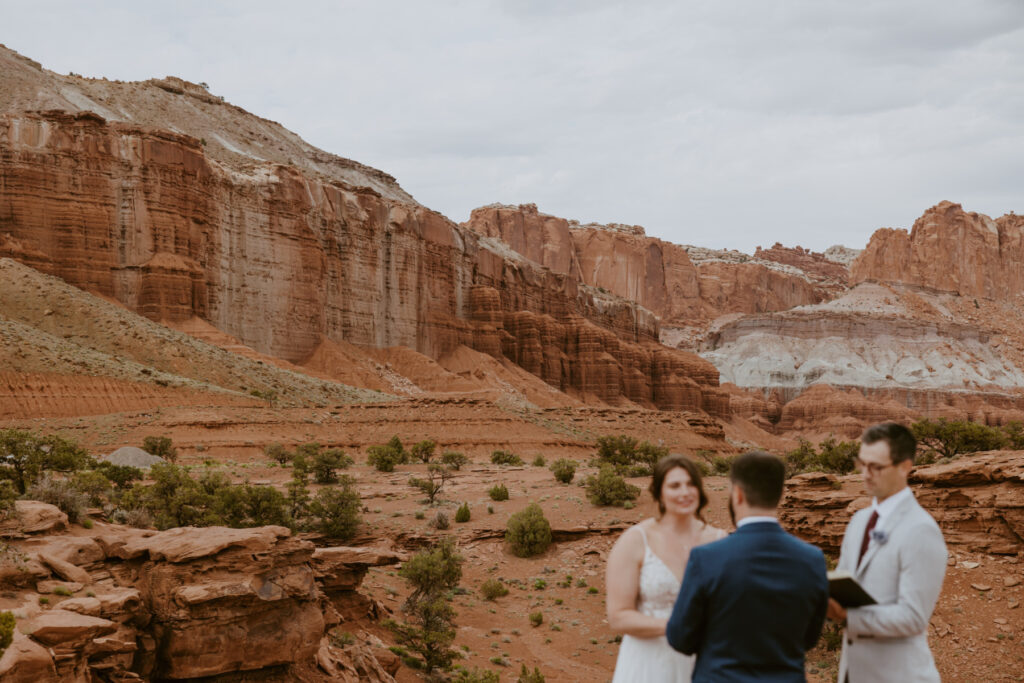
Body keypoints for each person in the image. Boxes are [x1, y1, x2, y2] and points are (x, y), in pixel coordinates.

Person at [666, 451, 829, 681]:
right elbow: (810, 637)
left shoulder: (707, 558)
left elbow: (680, 637)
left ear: (738, 494)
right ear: (780, 494)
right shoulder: (812, 558)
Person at [827, 422, 947, 683]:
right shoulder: (859, 521)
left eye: (876, 467)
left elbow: (913, 617)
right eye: (862, 464)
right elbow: (843, 580)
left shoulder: (921, 529)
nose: (866, 474)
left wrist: (848, 616)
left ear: (905, 466)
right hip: (853, 673)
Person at [605, 455, 727, 682]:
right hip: (649, 663)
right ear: (659, 492)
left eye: (691, 484)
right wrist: (676, 627)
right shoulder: (635, 541)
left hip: (704, 663)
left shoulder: (720, 540)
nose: (685, 492)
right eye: (674, 485)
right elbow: (618, 616)